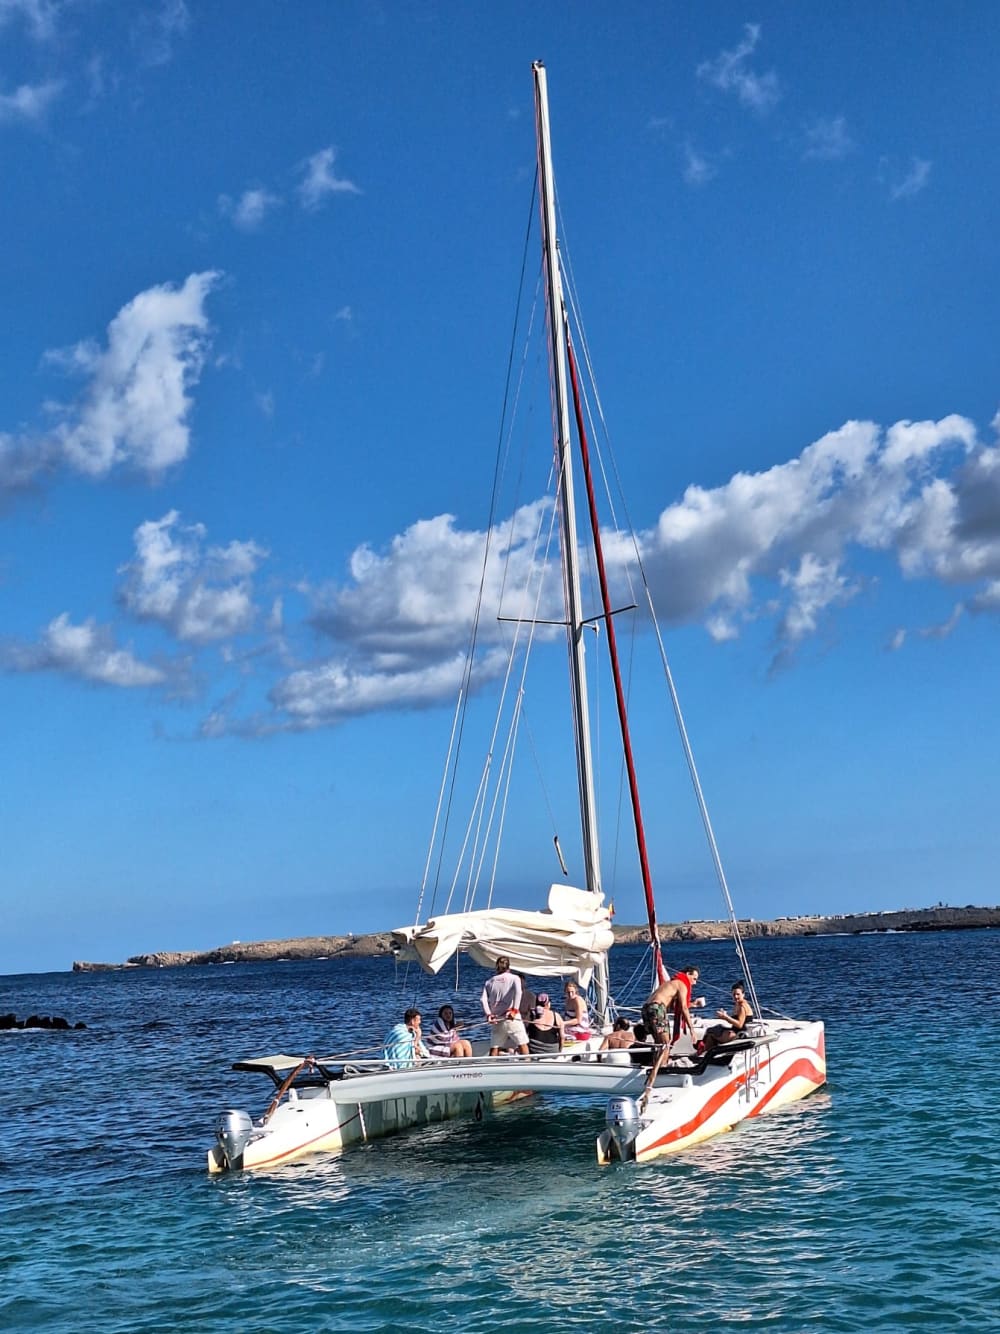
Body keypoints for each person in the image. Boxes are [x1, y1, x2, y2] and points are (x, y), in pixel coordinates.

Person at [639, 966, 700, 1098]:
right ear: (687, 974)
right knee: (666, 1044)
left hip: (646, 1009)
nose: (694, 983)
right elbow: (683, 1008)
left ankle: (658, 1066)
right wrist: (692, 1030)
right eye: (694, 978)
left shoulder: (670, 984)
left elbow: (672, 1007)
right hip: (657, 1008)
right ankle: (661, 1071)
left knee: (660, 1043)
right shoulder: (682, 984)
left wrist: (694, 1004)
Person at [481, 955, 529, 1055]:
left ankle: (491, 1063)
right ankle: (527, 1062)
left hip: (496, 1018)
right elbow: (519, 993)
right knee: (522, 1043)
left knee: (495, 1046)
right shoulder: (515, 978)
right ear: (509, 967)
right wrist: (514, 1010)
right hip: (511, 1017)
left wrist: (489, 1014)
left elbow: (483, 1000)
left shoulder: (489, 982)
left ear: (496, 967)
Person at [701, 982, 753, 1055]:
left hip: (739, 1034)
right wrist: (724, 1017)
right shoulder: (738, 1004)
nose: (736, 996)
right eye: (734, 994)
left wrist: (726, 1017)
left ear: (743, 994)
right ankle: (706, 1051)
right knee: (714, 1029)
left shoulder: (742, 1006)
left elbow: (740, 1025)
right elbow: (735, 1020)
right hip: (736, 1031)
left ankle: (706, 1054)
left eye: (738, 994)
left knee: (711, 1034)